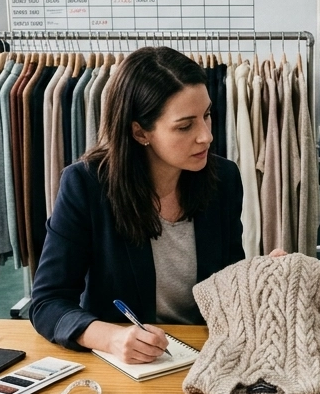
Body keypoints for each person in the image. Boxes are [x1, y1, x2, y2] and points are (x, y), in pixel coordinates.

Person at [30, 46, 244, 362]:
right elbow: (47, 302)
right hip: (130, 364)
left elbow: (229, 281)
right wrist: (111, 337)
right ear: (139, 131)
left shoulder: (223, 178)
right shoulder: (86, 186)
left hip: (208, 353)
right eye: (185, 126)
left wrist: (263, 276)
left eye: (207, 115)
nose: (206, 136)